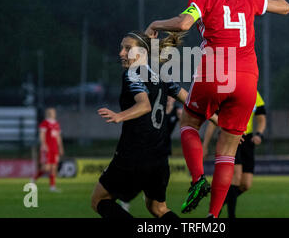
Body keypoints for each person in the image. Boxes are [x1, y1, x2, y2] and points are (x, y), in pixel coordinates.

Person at [145, 0, 289, 217]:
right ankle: (213, 218)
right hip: (248, 79)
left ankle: (198, 179)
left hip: (216, 72)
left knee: (189, 123)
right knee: (228, 150)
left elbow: (183, 23)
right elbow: (285, 7)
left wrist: (155, 23)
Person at [91, 31, 217, 219]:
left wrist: (120, 116)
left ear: (141, 52)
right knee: (158, 209)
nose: (121, 53)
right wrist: (220, 121)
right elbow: (188, 99)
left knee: (99, 201)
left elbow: (144, 105)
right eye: (121, 48)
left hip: (134, 154)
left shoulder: (132, 74)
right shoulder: (161, 75)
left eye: (127, 48)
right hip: (159, 157)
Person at [203, 91, 266, 218]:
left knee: (245, 184)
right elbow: (212, 122)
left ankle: (216, 207)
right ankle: (231, 216)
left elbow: (261, 118)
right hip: (229, 135)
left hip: (247, 140)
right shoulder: (228, 92)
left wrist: (259, 134)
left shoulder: (255, 94)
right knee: (235, 179)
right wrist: (204, 145)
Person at [32, 107, 65, 192]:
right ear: (48, 113)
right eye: (51, 112)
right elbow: (42, 135)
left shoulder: (56, 124)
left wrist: (60, 147)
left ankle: (52, 187)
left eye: (53, 112)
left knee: (54, 168)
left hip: (54, 148)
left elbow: (58, 137)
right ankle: (33, 179)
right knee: (46, 168)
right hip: (47, 148)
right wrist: (43, 144)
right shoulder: (44, 123)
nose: (52, 113)